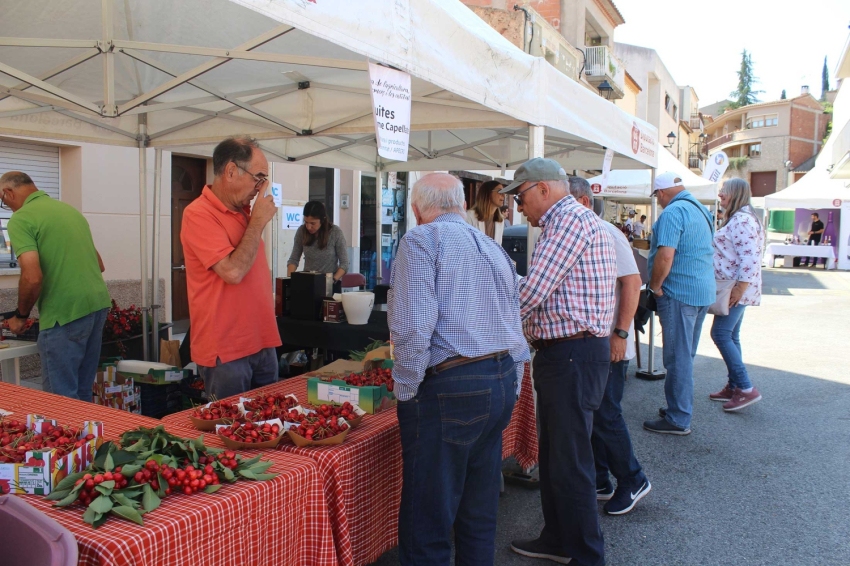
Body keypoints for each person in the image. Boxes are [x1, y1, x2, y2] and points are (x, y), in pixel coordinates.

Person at [388, 173, 529, 565]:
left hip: (453, 384)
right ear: (459, 204)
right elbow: (514, 324)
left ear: (417, 209)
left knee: (427, 521)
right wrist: (512, 384)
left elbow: (413, 327)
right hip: (499, 376)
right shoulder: (491, 246)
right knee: (478, 512)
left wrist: (406, 389)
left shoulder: (421, 239)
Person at [500, 159, 617, 566]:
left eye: (521, 196)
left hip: (571, 355)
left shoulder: (566, 222)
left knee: (569, 463)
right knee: (556, 459)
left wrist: (486, 296)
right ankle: (558, 539)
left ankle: (586, 555)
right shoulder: (572, 221)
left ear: (544, 190)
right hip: (569, 354)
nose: (519, 207)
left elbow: (531, 294)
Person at [566, 177, 651, 515]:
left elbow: (633, 283)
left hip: (610, 341)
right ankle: (601, 479)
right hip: (599, 341)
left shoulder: (607, 233)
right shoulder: (589, 231)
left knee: (606, 413)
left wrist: (621, 333)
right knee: (597, 413)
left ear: (584, 202)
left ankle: (633, 479)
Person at [181, 137, 281, 399]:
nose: (262, 188)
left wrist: (254, 219)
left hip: (261, 340)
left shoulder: (244, 211)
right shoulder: (198, 214)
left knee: (269, 428)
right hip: (227, 350)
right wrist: (258, 222)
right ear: (231, 171)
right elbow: (232, 272)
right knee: (231, 431)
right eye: (258, 178)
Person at [0, 171, 110, 401]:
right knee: (81, 391)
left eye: (2, 200)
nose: (6, 206)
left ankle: (72, 436)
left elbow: (32, 277)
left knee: (60, 400)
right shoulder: (69, 211)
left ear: (8, 192)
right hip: (97, 305)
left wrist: (20, 316)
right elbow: (99, 264)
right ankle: (88, 437)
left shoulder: (22, 218)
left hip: (65, 313)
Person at [644, 172, 715, 436]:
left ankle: (678, 417)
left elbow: (665, 255)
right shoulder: (701, 209)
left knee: (677, 358)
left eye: (657, 196)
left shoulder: (673, 213)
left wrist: (656, 287)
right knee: (686, 354)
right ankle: (679, 406)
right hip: (701, 290)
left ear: (661, 193)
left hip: (680, 293)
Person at [710, 178, 764, 411]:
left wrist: (739, 290)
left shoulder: (742, 220)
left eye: (725, 191)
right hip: (735, 287)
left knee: (720, 334)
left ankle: (745, 387)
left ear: (736, 194)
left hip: (734, 288)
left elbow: (750, 259)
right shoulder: (743, 218)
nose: (721, 194)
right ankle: (734, 386)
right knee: (731, 335)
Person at [286, 200, 349, 284]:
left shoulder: (335, 232)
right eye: (306, 222)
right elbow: (294, 259)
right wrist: (290, 280)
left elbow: (344, 264)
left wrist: (333, 280)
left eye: (313, 223)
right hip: (308, 282)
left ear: (322, 220)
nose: (308, 227)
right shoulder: (302, 231)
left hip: (330, 282)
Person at [465, 179, 506, 244]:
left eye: (504, 192)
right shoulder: (469, 216)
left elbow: (498, 247)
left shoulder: (500, 220)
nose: (504, 195)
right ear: (488, 193)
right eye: (500, 191)